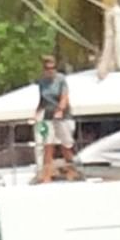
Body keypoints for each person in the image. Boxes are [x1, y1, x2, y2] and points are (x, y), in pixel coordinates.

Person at [34, 55, 72, 183]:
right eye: (47, 68)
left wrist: (60, 110)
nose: (50, 70)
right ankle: (46, 174)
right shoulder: (42, 82)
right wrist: (36, 113)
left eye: (53, 68)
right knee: (47, 144)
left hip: (63, 116)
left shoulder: (61, 79)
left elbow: (64, 97)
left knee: (65, 145)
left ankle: (71, 170)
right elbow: (42, 100)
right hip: (48, 115)